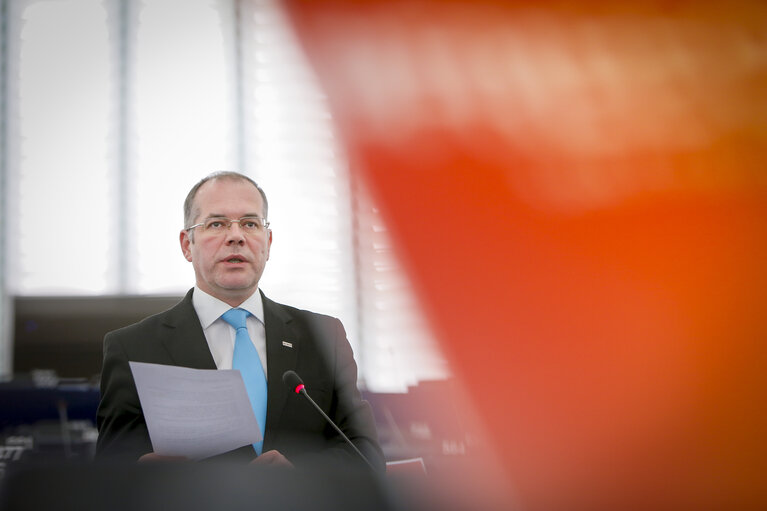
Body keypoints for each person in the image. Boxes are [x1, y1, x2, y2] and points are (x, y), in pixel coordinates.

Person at [96, 171, 384, 471]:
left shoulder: (325, 337)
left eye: (250, 223)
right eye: (217, 223)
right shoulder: (133, 347)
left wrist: (301, 475)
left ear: (268, 242)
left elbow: (367, 455)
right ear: (186, 244)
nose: (236, 236)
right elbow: (111, 469)